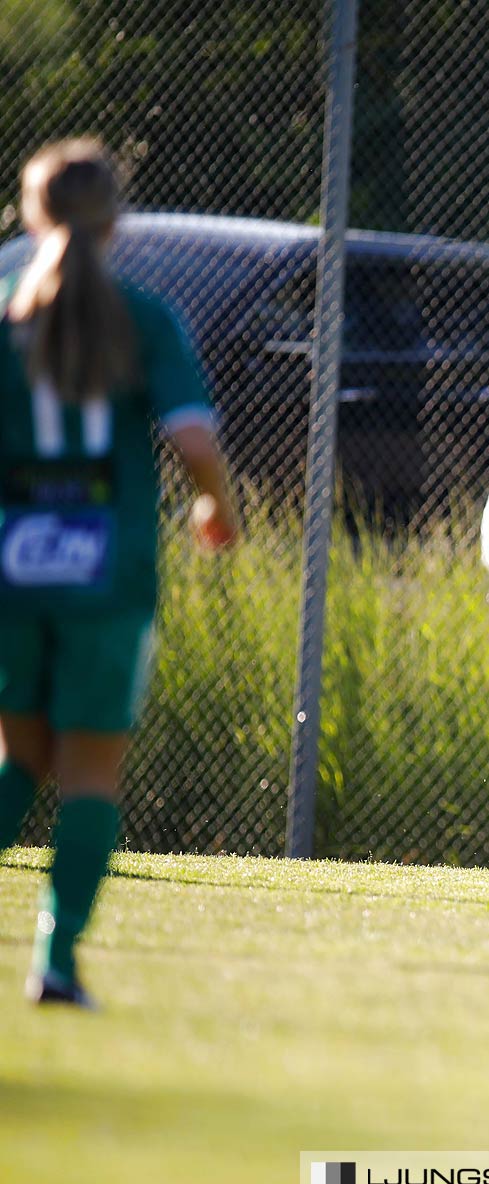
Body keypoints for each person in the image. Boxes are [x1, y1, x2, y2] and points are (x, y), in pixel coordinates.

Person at [0, 139, 238, 1008]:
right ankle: (56, 964)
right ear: (116, 223)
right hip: (109, 573)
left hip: (13, 571)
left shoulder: (6, 321)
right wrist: (218, 506)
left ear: (32, 217)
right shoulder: (143, 316)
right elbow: (193, 442)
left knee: (18, 756)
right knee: (89, 774)